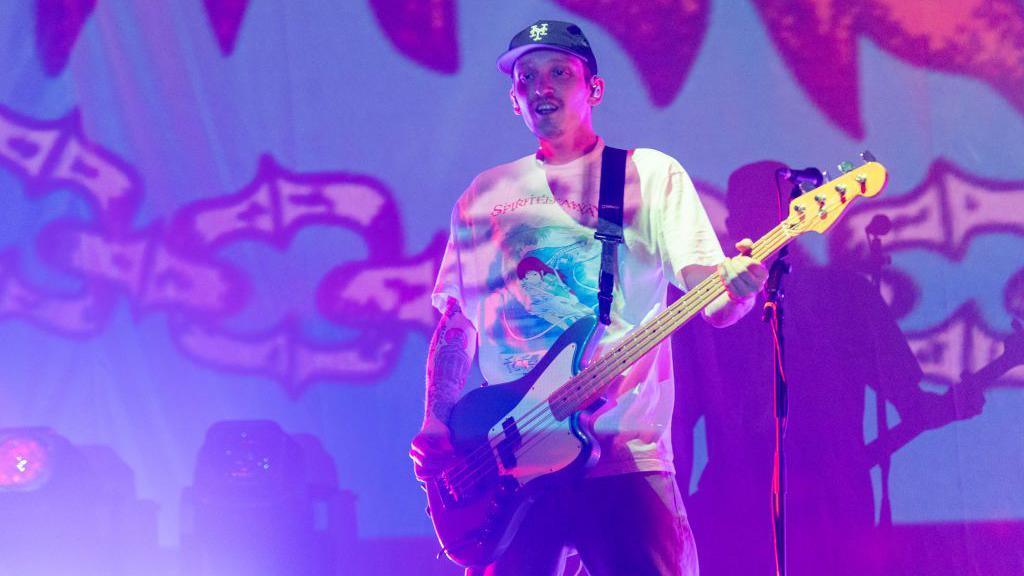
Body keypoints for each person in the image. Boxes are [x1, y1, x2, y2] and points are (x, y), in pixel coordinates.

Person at [409, 20, 768, 576]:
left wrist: (737, 293)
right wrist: (438, 419)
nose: (541, 86)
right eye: (527, 77)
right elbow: (458, 324)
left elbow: (712, 299)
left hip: (624, 454)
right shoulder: (483, 196)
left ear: (593, 90)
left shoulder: (647, 176)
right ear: (514, 101)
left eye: (559, 72)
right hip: (509, 461)